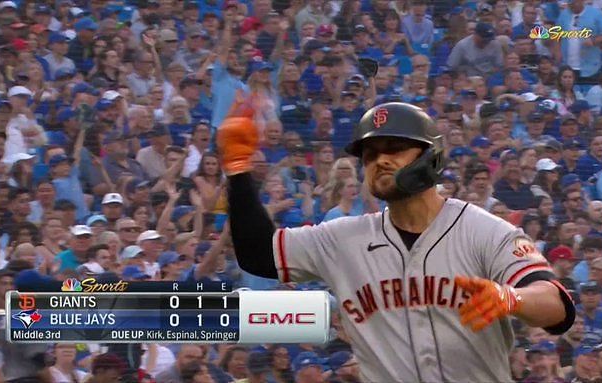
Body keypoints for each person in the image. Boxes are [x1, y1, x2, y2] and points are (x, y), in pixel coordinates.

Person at [219, 101, 575, 381]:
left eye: (395, 149)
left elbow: (556, 305)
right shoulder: (343, 238)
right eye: (370, 154)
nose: (380, 160)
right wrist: (238, 169)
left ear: (429, 156)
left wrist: (511, 297)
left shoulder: (483, 229)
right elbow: (258, 255)